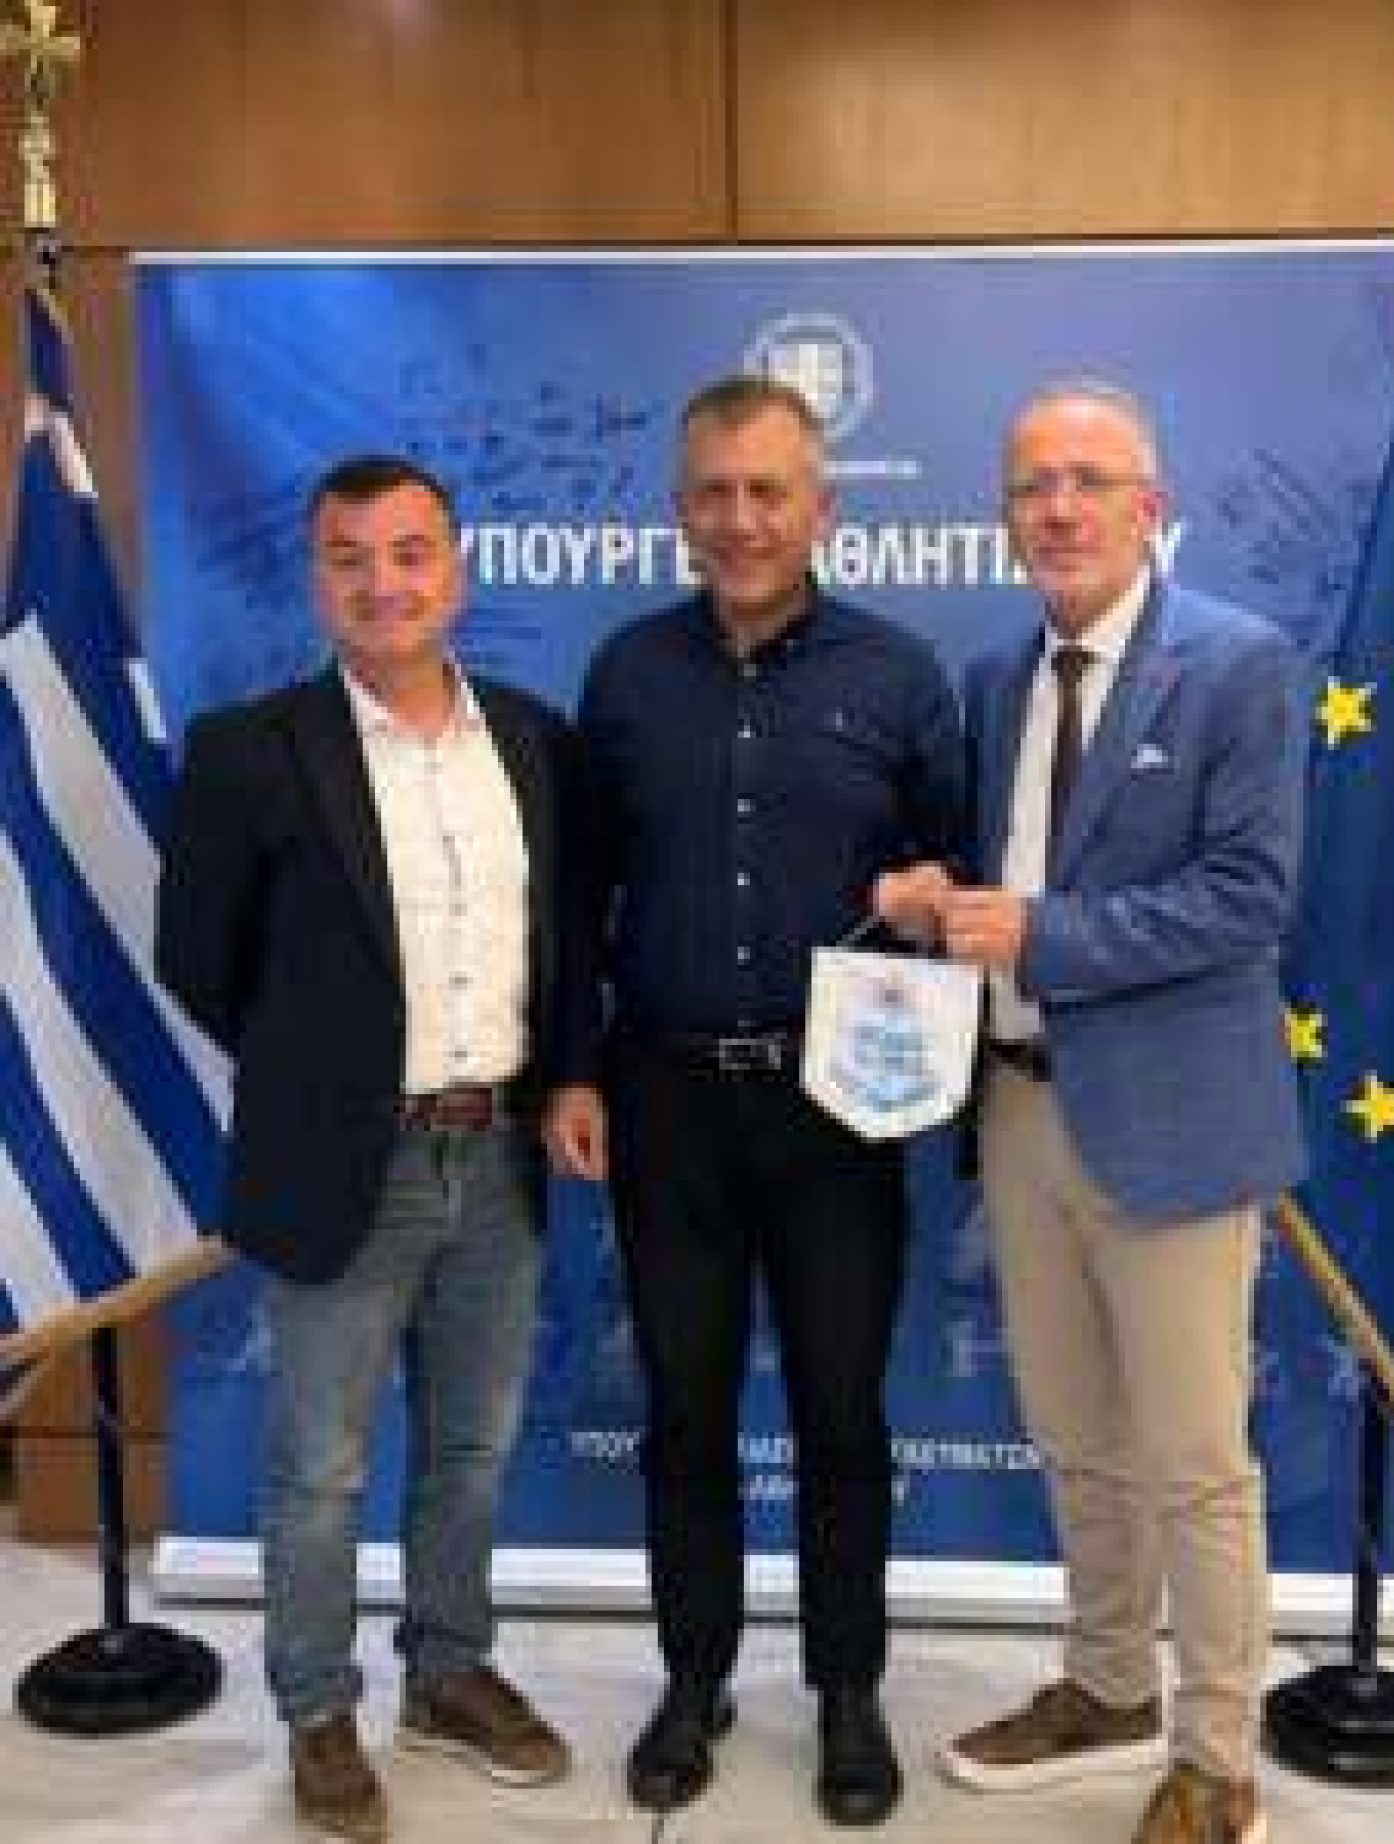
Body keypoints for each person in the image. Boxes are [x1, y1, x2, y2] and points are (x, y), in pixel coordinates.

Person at [877, 381, 1307, 1844]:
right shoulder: (998, 676)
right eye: (1031, 486)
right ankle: (1110, 1685)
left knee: (1196, 1460)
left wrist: (1041, 934)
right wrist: (935, 902)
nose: (1058, 508)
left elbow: (1249, 899)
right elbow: (1008, 876)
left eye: (1088, 480)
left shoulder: (1239, 663)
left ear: (1150, 506)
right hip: (1018, 1112)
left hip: (1176, 1125)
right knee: (1074, 1434)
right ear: (1006, 516)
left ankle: (1219, 1761)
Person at [545, 375, 964, 1827]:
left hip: (839, 1103)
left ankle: (847, 1691)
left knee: (844, 1412)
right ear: (681, 511)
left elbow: (957, 886)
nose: (741, 520)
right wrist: (576, 1066)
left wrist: (933, 908)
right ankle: (693, 1680)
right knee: (686, 1411)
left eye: (768, 491)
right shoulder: (625, 674)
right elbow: (579, 898)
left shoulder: (900, 677)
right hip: (664, 1101)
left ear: (822, 508)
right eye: (714, 493)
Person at [156, 454, 573, 1844]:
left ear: (457, 569)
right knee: (321, 1467)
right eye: (350, 558)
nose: (383, 584)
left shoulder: (533, 741)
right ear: (316, 577)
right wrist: (323, 1074)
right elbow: (198, 958)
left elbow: (562, 943)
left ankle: (447, 1673)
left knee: (474, 1445)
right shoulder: (248, 750)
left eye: (409, 554)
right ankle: (318, 1710)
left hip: (497, 1154)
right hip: (345, 1163)